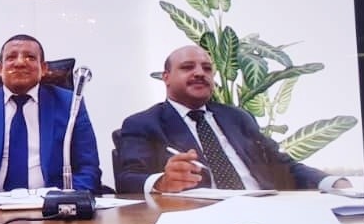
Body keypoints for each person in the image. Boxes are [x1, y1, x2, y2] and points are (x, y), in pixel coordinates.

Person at [117, 45, 351, 194]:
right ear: (166, 77)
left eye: (207, 68)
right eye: (188, 67)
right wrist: (162, 182)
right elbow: (127, 179)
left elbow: (281, 164)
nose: (199, 73)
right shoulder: (143, 124)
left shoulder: (238, 117)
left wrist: (331, 183)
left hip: (265, 208)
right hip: (199, 219)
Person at [0, 34, 102, 201]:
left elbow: (89, 170)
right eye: (11, 57)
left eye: (30, 57)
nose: (20, 63)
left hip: (52, 207)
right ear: (0, 69)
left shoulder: (70, 104)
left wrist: (65, 200)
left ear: (43, 68)